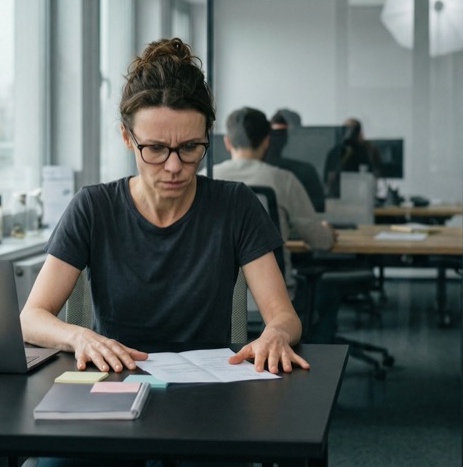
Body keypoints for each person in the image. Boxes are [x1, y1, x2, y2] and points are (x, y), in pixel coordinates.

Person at [20, 38, 308, 378]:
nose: (174, 166)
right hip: (116, 381)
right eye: (155, 149)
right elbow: (31, 318)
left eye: (190, 147)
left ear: (207, 135)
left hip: (209, 385)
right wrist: (78, 336)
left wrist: (275, 334)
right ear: (127, 137)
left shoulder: (235, 205)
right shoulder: (93, 208)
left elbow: (284, 316)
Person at [213, 107, 336, 331]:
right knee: (327, 295)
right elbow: (320, 240)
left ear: (227, 142)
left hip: (215, 301)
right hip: (274, 305)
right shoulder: (283, 180)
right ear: (266, 141)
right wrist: (326, 230)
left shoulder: (204, 177)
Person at [264, 109, 327, 212]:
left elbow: (317, 209)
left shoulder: (306, 170)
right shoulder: (259, 168)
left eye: (285, 134)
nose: (279, 139)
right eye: (276, 134)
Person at [323, 118, 383, 198]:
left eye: (351, 129)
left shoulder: (367, 150)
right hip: (338, 194)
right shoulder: (336, 151)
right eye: (344, 129)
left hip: (361, 194)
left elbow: (374, 173)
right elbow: (329, 176)